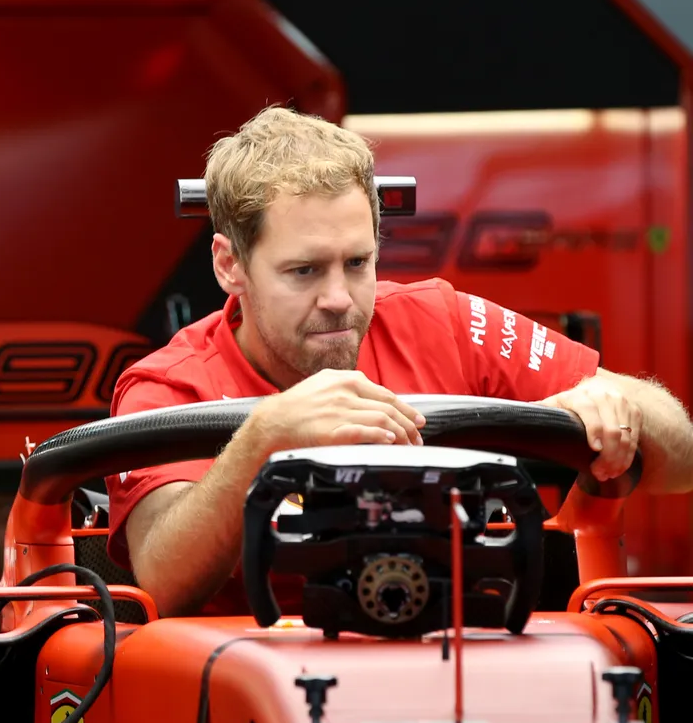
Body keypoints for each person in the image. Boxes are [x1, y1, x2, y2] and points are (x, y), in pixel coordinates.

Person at [106, 105, 693, 619]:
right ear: (229, 265)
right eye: (305, 270)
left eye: (357, 263)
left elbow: (683, 459)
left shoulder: (443, 322)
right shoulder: (167, 387)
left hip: (461, 667)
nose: (339, 298)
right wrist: (263, 438)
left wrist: (615, 411)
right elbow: (160, 580)